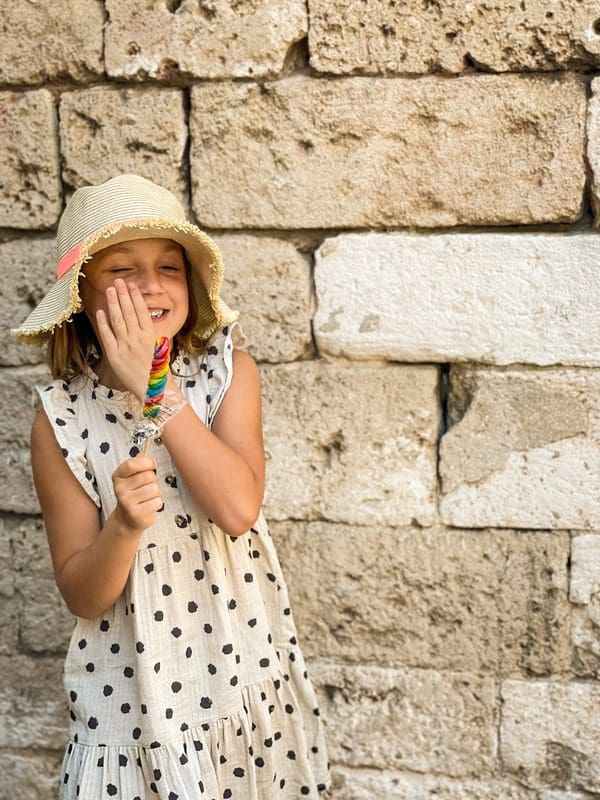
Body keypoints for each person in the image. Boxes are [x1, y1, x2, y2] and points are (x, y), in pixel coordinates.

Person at [11, 174, 331, 799]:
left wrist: (154, 388)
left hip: (240, 677)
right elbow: (83, 593)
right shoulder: (61, 421)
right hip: (133, 702)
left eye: (169, 266)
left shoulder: (227, 374)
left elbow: (237, 508)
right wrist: (124, 528)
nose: (153, 285)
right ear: (82, 295)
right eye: (123, 270)